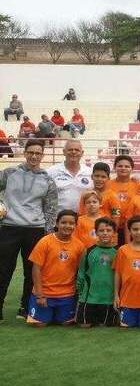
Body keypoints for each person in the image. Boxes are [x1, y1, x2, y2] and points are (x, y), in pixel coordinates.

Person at [0, 139, 58, 321]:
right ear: (25, 153)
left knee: (32, 271)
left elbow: (51, 209)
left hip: (35, 230)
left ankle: (25, 307)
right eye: (31, 152)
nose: (34, 156)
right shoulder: (9, 173)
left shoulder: (48, 180)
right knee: (3, 269)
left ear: (42, 156)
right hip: (9, 227)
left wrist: (48, 234)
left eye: (38, 153)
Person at [26, 210, 85, 327]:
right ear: (57, 223)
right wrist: (39, 295)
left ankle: (56, 313)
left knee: (66, 323)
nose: (67, 226)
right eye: (63, 222)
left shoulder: (80, 246)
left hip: (67, 294)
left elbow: (81, 272)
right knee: (39, 325)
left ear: (75, 225)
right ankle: (46, 314)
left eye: (71, 223)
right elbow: (36, 269)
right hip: (45, 293)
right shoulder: (45, 242)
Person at [75, 217, 118, 328]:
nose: (105, 233)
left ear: (114, 233)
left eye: (108, 230)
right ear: (96, 232)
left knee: (104, 326)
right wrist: (80, 293)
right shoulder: (89, 251)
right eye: (101, 230)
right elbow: (81, 273)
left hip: (108, 299)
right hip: (89, 298)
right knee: (84, 325)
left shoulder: (118, 252)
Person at [46, 140, 93, 213]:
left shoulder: (90, 172)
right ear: (64, 152)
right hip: (59, 218)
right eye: (70, 150)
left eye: (77, 150)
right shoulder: (51, 172)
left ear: (82, 153)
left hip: (83, 218)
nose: (73, 152)